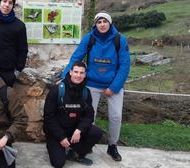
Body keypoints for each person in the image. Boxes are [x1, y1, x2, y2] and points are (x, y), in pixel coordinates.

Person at [61, 11, 130, 161]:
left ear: (110, 23)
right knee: (89, 116)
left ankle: (112, 146)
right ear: (95, 24)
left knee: (116, 116)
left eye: (105, 21)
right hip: (92, 82)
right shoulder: (90, 38)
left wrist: (114, 87)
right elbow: (77, 57)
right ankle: (87, 143)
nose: (102, 24)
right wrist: (64, 76)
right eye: (99, 22)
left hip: (113, 84)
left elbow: (124, 66)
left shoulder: (120, 39)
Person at [44, 61, 103, 168]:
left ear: (85, 75)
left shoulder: (86, 92)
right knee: (58, 163)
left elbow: (89, 115)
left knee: (96, 132)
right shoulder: (56, 90)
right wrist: (61, 137)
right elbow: (49, 117)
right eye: (76, 72)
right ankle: (55, 147)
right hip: (57, 132)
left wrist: (79, 130)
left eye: (81, 73)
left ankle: (76, 153)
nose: (78, 75)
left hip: (74, 131)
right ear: (70, 72)